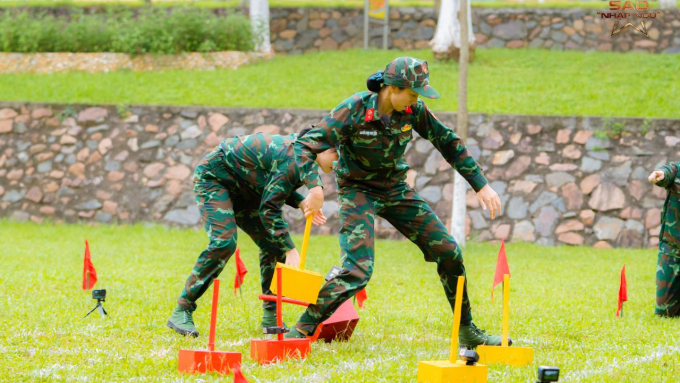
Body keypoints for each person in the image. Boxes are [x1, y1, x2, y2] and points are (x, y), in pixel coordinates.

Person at [285, 57, 507, 348]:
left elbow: (447, 142)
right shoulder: (353, 109)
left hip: (396, 189)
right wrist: (314, 187)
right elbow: (305, 144)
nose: (415, 101)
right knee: (357, 271)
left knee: (449, 252)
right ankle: (301, 330)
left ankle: (466, 329)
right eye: (412, 94)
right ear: (392, 88)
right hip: (358, 191)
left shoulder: (413, 110)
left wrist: (481, 184)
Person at [167, 131, 338, 337]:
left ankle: (270, 314)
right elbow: (269, 207)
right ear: (324, 150)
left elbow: (273, 182)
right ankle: (182, 308)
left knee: (273, 245)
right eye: (338, 156)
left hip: (248, 187)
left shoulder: (305, 157)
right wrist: (291, 249)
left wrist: (300, 201)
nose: (339, 164)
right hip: (216, 178)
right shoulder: (295, 157)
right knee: (224, 243)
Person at [648, 162, 680, 317]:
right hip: (673, 249)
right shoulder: (677, 170)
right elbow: (667, 173)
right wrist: (659, 175)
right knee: (664, 311)